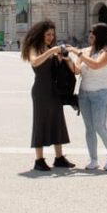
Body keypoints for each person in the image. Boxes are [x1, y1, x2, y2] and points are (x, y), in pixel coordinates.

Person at [21, 19, 74, 172]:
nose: (51, 37)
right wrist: (51, 52)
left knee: (58, 121)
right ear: (41, 34)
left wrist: (64, 58)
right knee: (40, 122)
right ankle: (39, 159)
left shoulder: (52, 48)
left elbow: (66, 68)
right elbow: (35, 62)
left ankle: (59, 157)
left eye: (52, 34)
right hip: (41, 90)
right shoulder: (35, 48)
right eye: (48, 34)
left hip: (55, 90)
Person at [68, 23, 107, 171]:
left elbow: (96, 65)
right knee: (89, 128)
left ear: (101, 35)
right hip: (84, 94)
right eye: (90, 32)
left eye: (93, 33)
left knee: (100, 126)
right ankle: (93, 159)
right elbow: (77, 71)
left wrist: (78, 54)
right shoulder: (85, 51)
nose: (90, 35)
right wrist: (67, 59)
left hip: (101, 93)